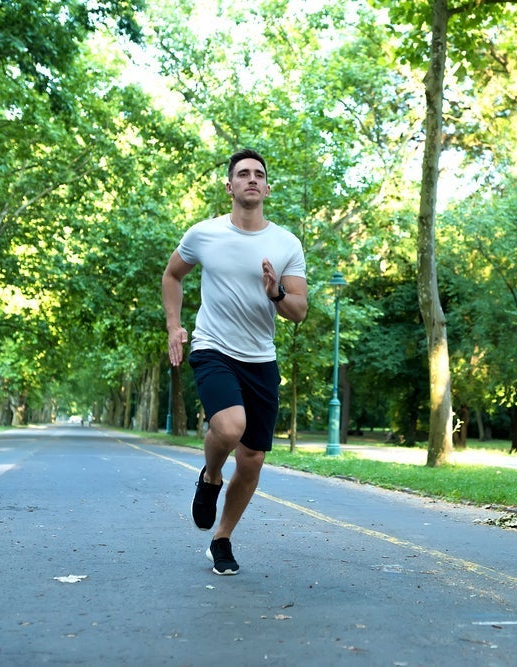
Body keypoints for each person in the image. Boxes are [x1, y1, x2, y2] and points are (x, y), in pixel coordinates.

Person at [161, 148, 308, 575]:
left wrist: (276, 292)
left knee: (253, 459)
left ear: (266, 187)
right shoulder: (203, 234)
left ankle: (221, 538)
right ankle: (210, 476)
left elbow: (298, 310)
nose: (251, 179)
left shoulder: (285, 244)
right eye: (242, 174)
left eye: (258, 174)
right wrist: (174, 326)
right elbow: (173, 275)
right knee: (228, 426)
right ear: (229, 186)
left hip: (261, 357)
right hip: (212, 347)